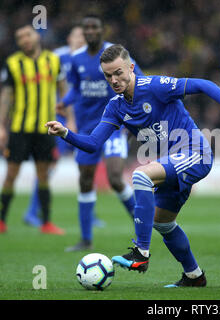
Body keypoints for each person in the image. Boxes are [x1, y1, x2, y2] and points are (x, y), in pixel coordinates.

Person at [46, 44, 220, 287]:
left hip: (194, 152)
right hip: (170, 164)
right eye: (108, 75)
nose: (114, 79)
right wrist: (65, 133)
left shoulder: (155, 86)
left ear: (131, 68)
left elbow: (203, 85)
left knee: (141, 176)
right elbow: (93, 143)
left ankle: (141, 253)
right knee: (163, 223)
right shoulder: (115, 106)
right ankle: (194, 276)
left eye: (118, 72)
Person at [56, 15, 143, 252]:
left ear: (103, 30)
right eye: (87, 28)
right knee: (85, 180)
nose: (91, 31)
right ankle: (86, 239)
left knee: (115, 178)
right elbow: (77, 87)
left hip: (114, 127)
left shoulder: (116, 55)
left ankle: (143, 229)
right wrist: (65, 102)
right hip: (86, 130)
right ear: (83, 32)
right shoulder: (76, 59)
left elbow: (140, 80)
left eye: (95, 27)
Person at [0, 24, 66, 235]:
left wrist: (70, 119)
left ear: (36, 36)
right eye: (20, 37)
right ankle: (1, 221)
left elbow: (64, 91)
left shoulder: (54, 60)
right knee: (11, 174)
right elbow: (5, 96)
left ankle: (46, 222)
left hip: (45, 128)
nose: (24, 40)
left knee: (43, 175)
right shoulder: (13, 63)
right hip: (19, 129)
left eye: (27, 35)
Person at [22, 25, 85, 227]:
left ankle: (89, 214)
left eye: (83, 36)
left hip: (83, 119)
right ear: (69, 37)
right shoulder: (56, 57)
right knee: (48, 165)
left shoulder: (91, 59)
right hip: (59, 119)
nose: (80, 39)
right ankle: (32, 211)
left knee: (86, 165)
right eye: (77, 34)